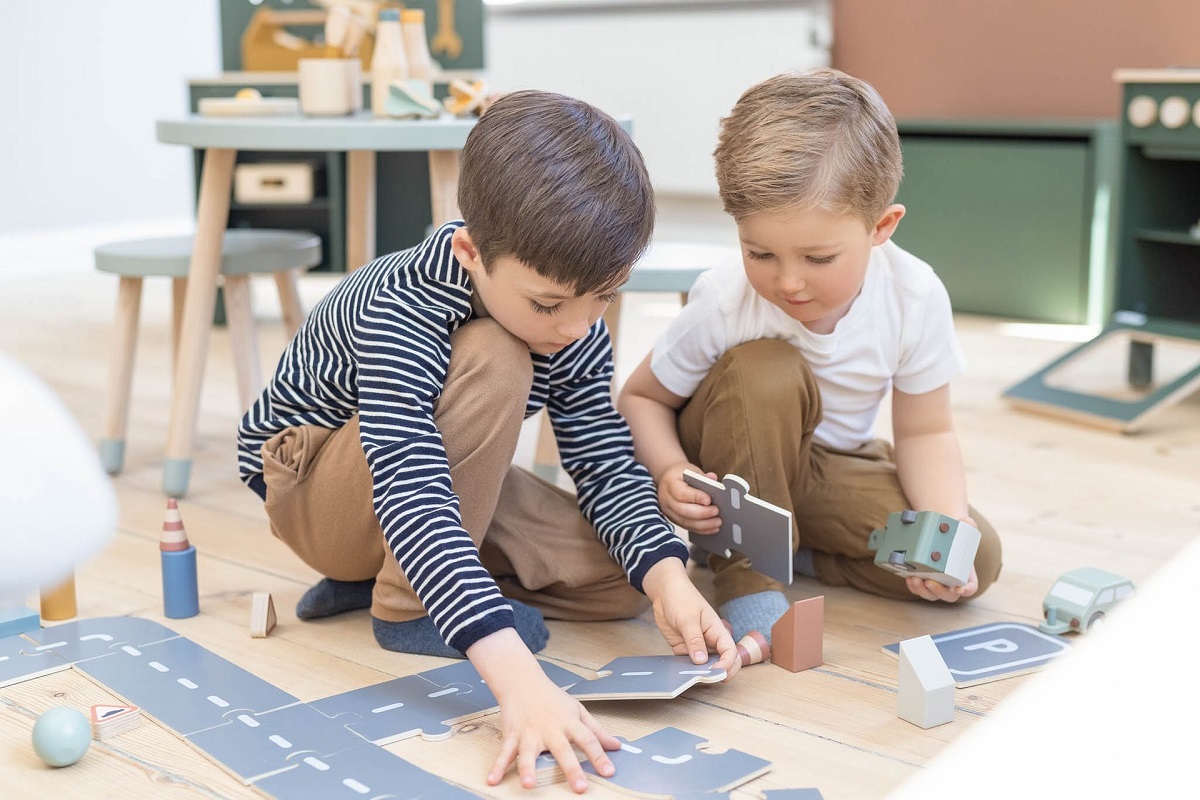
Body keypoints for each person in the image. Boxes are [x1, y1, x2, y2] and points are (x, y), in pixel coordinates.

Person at [236, 90, 738, 793]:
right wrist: (519, 684)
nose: (578, 325)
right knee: (498, 356)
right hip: (316, 484)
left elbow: (601, 460)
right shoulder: (403, 301)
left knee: (621, 585)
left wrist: (670, 578)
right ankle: (409, 604)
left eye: (606, 296)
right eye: (548, 304)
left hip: (435, 476)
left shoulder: (576, 317)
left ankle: (412, 582)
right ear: (472, 252)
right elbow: (410, 482)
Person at [617, 68, 1003, 645]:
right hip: (733, 466)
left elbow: (925, 432)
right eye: (760, 252)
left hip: (824, 469)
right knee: (765, 369)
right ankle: (748, 581)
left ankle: (799, 551)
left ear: (883, 227)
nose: (788, 281)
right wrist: (672, 469)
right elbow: (642, 396)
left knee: (978, 558)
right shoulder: (728, 298)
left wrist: (947, 530)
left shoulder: (915, 294)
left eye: (818, 258)